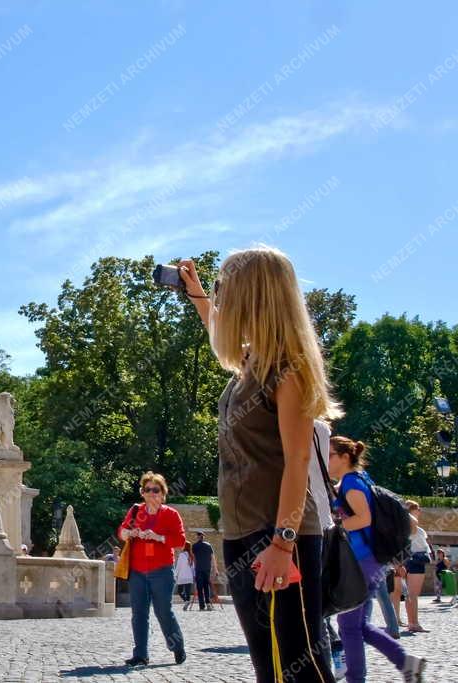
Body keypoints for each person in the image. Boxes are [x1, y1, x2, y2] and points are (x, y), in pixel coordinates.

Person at [180, 248, 335, 682]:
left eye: (225, 286)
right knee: (269, 666)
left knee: (302, 667)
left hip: (278, 536)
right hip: (244, 532)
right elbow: (218, 334)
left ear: (254, 296)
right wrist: (194, 294)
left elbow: (298, 460)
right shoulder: (249, 365)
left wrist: (284, 544)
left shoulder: (289, 369)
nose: (220, 294)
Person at [327, 436, 426, 682]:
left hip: (362, 561)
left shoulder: (351, 483)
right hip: (372, 562)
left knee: (349, 626)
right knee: (360, 625)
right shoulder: (359, 479)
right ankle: (407, 663)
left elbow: (364, 518)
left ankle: (357, 679)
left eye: (330, 455)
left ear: (345, 457)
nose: (326, 460)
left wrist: (335, 526)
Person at [117, 471, 187, 667]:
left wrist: (158, 537)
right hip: (137, 570)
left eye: (156, 490)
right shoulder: (136, 512)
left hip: (162, 570)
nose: (151, 493)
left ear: (163, 493)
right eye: (147, 489)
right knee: (139, 613)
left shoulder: (171, 514)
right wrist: (131, 532)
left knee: (163, 610)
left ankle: (177, 646)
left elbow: (180, 541)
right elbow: (121, 532)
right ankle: (140, 654)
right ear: (143, 492)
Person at [403, 501, 431, 633]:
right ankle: (415, 624)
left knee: (410, 594)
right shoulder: (412, 526)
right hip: (416, 559)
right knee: (413, 595)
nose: (420, 511)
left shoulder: (405, 526)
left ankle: (412, 622)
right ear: (412, 511)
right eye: (417, 508)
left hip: (409, 559)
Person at [191, 532, 214, 611]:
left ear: (197, 537)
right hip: (207, 569)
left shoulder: (194, 546)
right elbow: (212, 557)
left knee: (199, 587)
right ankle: (208, 603)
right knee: (206, 586)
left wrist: (194, 569)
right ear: (203, 537)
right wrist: (212, 568)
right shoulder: (208, 545)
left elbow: (194, 559)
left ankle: (201, 606)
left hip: (199, 569)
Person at [173, 543, 194, 608]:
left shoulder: (182, 555)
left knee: (180, 591)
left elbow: (178, 565)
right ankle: (187, 601)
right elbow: (193, 567)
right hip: (189, 576)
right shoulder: (191, 556)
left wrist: (175, 574)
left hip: (182, 576)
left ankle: (186, 601)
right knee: (188, 592)